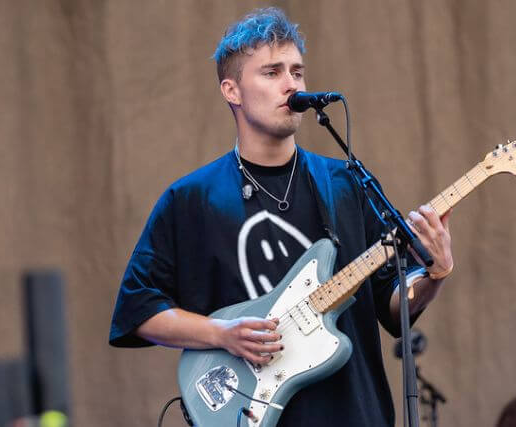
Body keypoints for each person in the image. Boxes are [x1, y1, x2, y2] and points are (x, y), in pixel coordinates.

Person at [109, 7, 453, 426]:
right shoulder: (192, 199)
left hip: (354, 414)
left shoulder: (346, 183)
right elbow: (139, 309)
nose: (291, 84)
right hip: (250, 412)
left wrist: (434, 275)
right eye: (272, 73)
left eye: (297, 71)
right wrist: (223, 335)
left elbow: (394, 306)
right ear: (231, 90)